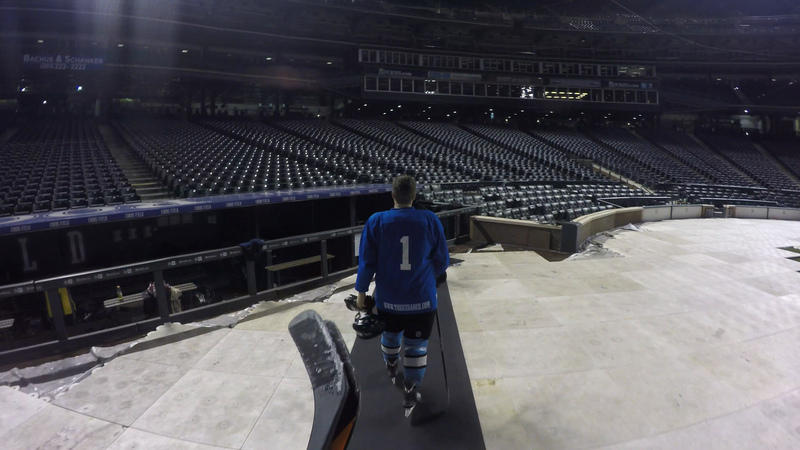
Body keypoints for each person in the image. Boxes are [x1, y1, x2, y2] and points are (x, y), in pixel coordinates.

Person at [355, 175, 449, 416]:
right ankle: (411, 387)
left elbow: (366, 263)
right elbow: (442, 261)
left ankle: (391, 363)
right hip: (422, 300)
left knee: (390, 334)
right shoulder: (429, 219)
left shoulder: (376, 221)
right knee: (417, 345)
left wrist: (361, 294)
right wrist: (425, 275)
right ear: (414, 196)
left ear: (392, 195)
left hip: (389, 300)